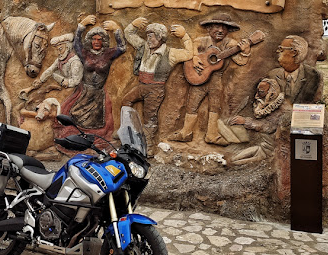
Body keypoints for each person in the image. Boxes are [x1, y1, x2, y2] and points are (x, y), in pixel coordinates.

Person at [170, 13, 251, 145]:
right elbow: (191, 50)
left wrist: (245, 51)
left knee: (215, 105)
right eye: (217, 27)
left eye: (224, 28)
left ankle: (212, 135)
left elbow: (240, 61)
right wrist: (194, 58)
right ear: (209, 29)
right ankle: (186, 133)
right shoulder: (201, 40)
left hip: (216, 80)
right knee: (192, 104)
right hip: (199, 77)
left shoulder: (231, 44)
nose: (220, 30)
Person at [122, 17, 193, 155]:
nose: (149, 39)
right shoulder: (143, 47)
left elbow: (189, 54)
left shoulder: (170, 53)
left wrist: (184, 36)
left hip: (155, 90)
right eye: (147, 36)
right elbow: (129, 34)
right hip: (141, 85)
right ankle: (128, 132)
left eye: (151, 36)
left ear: (160, 37)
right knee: (126, 101)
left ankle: (148, 147)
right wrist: (133, 24)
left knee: (150, 118)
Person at [58, 15, 126, 142]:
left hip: (98, 95)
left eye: (99, 39)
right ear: (90, 40)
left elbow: (122, 48)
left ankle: (91, 143)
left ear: (103, 41)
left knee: (96, 125)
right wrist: (81, 26)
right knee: (75, 116)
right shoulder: (85, 53)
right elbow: (76, 43)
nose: (96, 42)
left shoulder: (108, 54)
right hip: (84, 93)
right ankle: (77, 140)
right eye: (94, 39)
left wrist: (116, 30)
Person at [228, 78, 286, 165]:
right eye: (258, 91)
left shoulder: (281, 108)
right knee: (233, 159)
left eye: (261, 92)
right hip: (262, 148)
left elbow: (268, 127)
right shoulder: (264, 104)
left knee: (236, 163)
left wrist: (245, 121)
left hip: (272, 152)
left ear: (271, 93)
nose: (257, 96)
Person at [267, 35, 322, 106]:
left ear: (294, 53)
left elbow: (315, 104)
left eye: (281, 49)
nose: (277, 51)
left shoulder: (313, 76)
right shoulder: (272, 75)